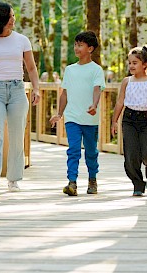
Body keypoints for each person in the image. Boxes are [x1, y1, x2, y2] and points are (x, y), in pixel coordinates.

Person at [0, 2, 41, 193]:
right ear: (1, 19)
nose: (14, 19)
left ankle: (13, 179)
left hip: (17, 91)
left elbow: (31, 67)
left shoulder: (22, 40)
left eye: (14, 15)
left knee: (17, 135)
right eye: (10, 16)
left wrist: (36, 89)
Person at [49, 31, 106, 196]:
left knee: (91, 152)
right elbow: (64, 93)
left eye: (80, 45)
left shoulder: (96, 70)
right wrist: (59, 113)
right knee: (73, 149)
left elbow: (97, 89)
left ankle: (92, 179)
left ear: (90, 48)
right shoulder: (70, 70)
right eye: (75, 44)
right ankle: (72, 182)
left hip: (90, 118)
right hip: (72, 117)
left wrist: (94, 105)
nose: (76, 48)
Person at [111, 45, 147, 196]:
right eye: (129, 63)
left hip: (145, 120)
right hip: (129, 119)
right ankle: (137, 184)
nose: (131, 66)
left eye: (135, 63)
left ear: (145, 64)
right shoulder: (126, 81)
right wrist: (114, 121)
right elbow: (119, 102)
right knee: (131, 156)